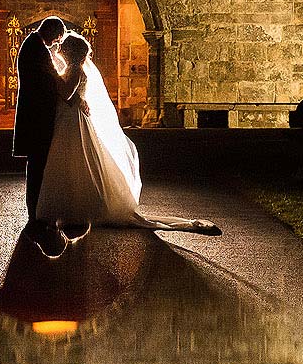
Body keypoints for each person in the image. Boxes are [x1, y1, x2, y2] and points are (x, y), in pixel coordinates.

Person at [35, 30, 220, 237]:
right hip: (69, 119)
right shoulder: (74, 68)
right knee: (72, 163)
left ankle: (78, 209)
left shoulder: (76, 70)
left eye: (63, 48)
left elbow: (67, 93)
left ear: (70, 52)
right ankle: (72, 207)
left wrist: (52, 74)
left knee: (75, 162)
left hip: (72, 121)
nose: (59, 50)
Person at [12, 15, 68, 222]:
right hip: (37, 115)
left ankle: (36, 209)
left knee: (37, 164)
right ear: (52, 31)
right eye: (57, 38)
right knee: (37, 164)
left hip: (35, 112)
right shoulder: (37, 48)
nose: (56, 42)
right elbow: (51, 77)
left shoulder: (33, 45)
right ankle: (35, 212)